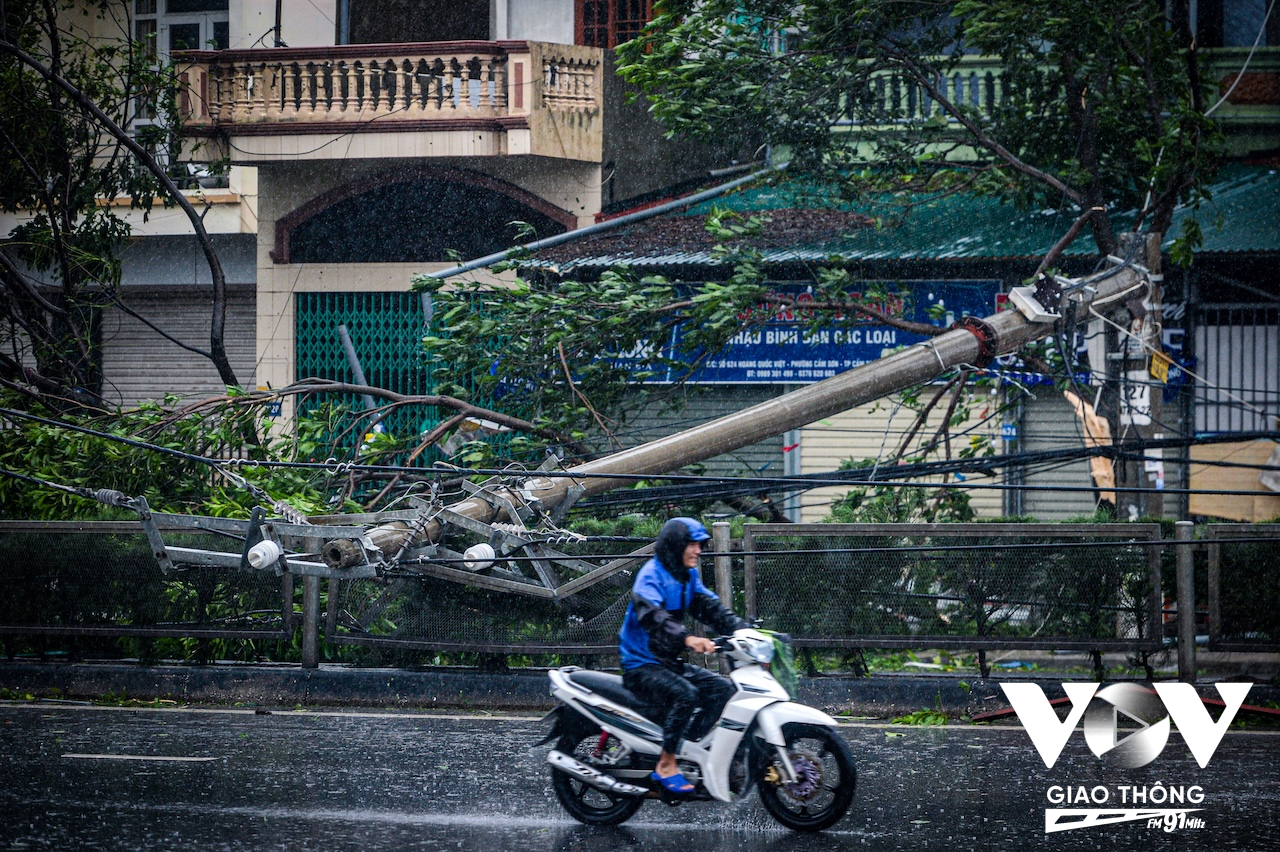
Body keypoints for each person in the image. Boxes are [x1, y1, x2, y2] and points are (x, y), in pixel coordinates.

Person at [618, 517, 748, 795]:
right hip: (641, 665)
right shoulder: (650, 576)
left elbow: (710, 608)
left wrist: (743, 630)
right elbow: (655, 618)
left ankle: (686, 748)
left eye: (700, 545)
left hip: (668, 663)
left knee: (723, 690)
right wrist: (687, 638)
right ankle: (666, 764)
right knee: (685, 695)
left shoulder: (687, 577)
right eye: (692, 545)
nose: (698, 551)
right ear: (675, 546)